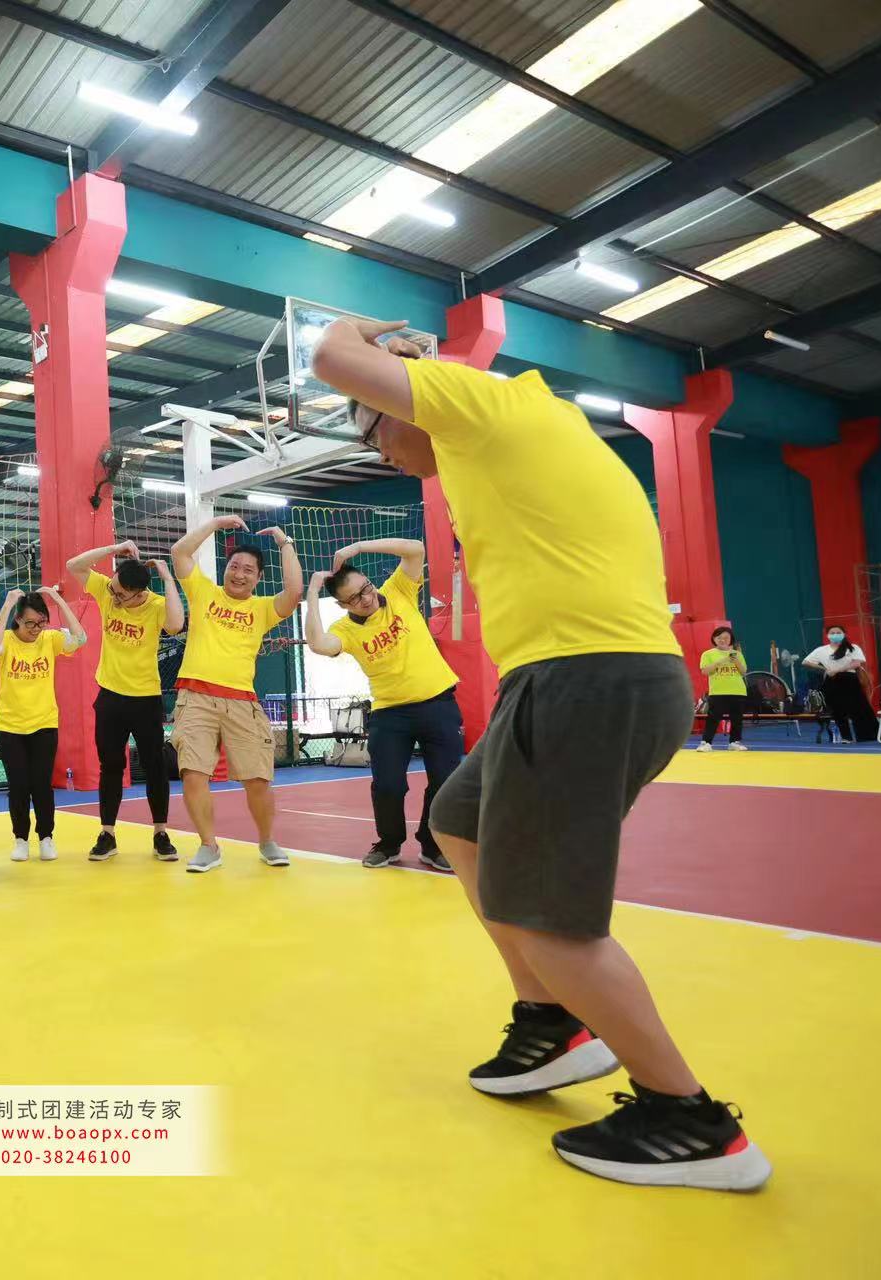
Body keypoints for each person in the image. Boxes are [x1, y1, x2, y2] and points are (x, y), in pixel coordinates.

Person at [313, 315, 771, 1190]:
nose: (382, 455)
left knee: (544, 914)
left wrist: (358, 332)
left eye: (373, 432)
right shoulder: (511, 425)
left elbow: (333, 353)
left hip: (585, 675)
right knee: (458, 818)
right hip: (575, 673)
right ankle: (551, 1021)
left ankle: (688, 1118)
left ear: (401, 392)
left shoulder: (473, 403)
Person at [306, 538, 459, 871]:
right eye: (355, 598)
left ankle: (432, 845)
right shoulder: (345, 629)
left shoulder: (398, 591)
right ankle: (389, 843)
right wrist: (313, 592)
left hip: (438, 703)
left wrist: (358, 548)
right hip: (390, 714)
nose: (366, 597)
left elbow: (415, 548)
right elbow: (317, 643)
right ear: (342, 605)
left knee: (445, 780)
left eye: (366, 587)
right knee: (388, 785)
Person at [168, 517, 303, 873]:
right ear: (225, 569)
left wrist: (285, 543)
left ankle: (267, 840)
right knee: (193, 772)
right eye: (234, 566)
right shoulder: (204, 592)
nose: (239, 574)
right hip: (195, 696)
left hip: (242, 701)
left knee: (257, 779)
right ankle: (208, 846)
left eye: (248, 570)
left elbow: (294, 592)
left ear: (258, 578)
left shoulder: (262, 609)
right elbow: (179, 553)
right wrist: (214, 524)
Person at [66, 541, 184, 862]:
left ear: (138, 593)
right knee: (111, 767)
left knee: (155, 767)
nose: (114, 597)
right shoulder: (108, 592)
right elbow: (74, 565)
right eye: (113, 590)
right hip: (110, 697)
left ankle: (160, 833)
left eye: (121, 594)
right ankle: (107, 834)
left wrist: (167, 577)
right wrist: (114, 548)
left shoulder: (156, 606)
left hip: (145, 699)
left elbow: (176, 624)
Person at [0, 586, 86, 863]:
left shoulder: (49, 639)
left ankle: (46, 837)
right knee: (18, 785)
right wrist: (8, 603)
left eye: (41, 622)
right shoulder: (7, 640)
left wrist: (58, 601)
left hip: (44, 723)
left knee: (42, 784)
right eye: (30, 623)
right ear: (18, 620)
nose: (36, 629)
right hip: (9, 725)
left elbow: (80, 637)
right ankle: (20, 839)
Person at [803, 627, 879, 744]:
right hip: (831, 681)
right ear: (827, 635)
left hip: (850, 680)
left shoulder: (853, 647)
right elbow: (806, 662)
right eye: (832, 633)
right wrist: (824, 669)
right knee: (838, 710)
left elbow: (856, 663)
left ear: (844, 634)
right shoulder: (821, 650)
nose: (835, 635)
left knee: (860, 708)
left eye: (838, 633)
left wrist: (837, 670)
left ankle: (869, 736)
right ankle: (846, 737)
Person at [696, 626, 750, 753]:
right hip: (718, 692)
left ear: (731, 639)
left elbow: (743, 672)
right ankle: (706, 743)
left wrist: (736, 660)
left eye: (726, 637)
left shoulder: (737, 654)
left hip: (738, 691)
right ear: (714, 639)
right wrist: (722, 661)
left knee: (737, 719)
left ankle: (734, 742)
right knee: (713, 718)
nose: (723, 640)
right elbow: (705, 671)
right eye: (719, 637)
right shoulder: (708, 654)